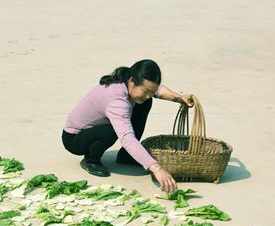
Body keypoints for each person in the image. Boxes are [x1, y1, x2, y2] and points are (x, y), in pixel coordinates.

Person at [61, 59, 193, 194]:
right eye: (146, 91)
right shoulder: (117, 101)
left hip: (96, 128)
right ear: (132, 81)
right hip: (75, 139)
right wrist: (156, 169)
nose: (149, 95)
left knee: (144, 102)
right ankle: (91, 159)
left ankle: (126, 157)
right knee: (111, 131)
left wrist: (179, 98)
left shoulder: (130, 78)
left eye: (151, 92)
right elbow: (127, 138)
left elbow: (158, 90)